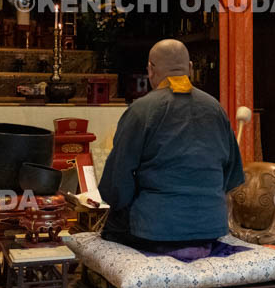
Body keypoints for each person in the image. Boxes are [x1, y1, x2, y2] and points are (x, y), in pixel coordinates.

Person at [99, 39, 245, 260]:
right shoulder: (215, 108)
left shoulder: (141, 110)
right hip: (211, 228)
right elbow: (232, 174)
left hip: (156, 231)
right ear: (190, 68)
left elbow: (117, 183)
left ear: (150, 70)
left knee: (112, 224)